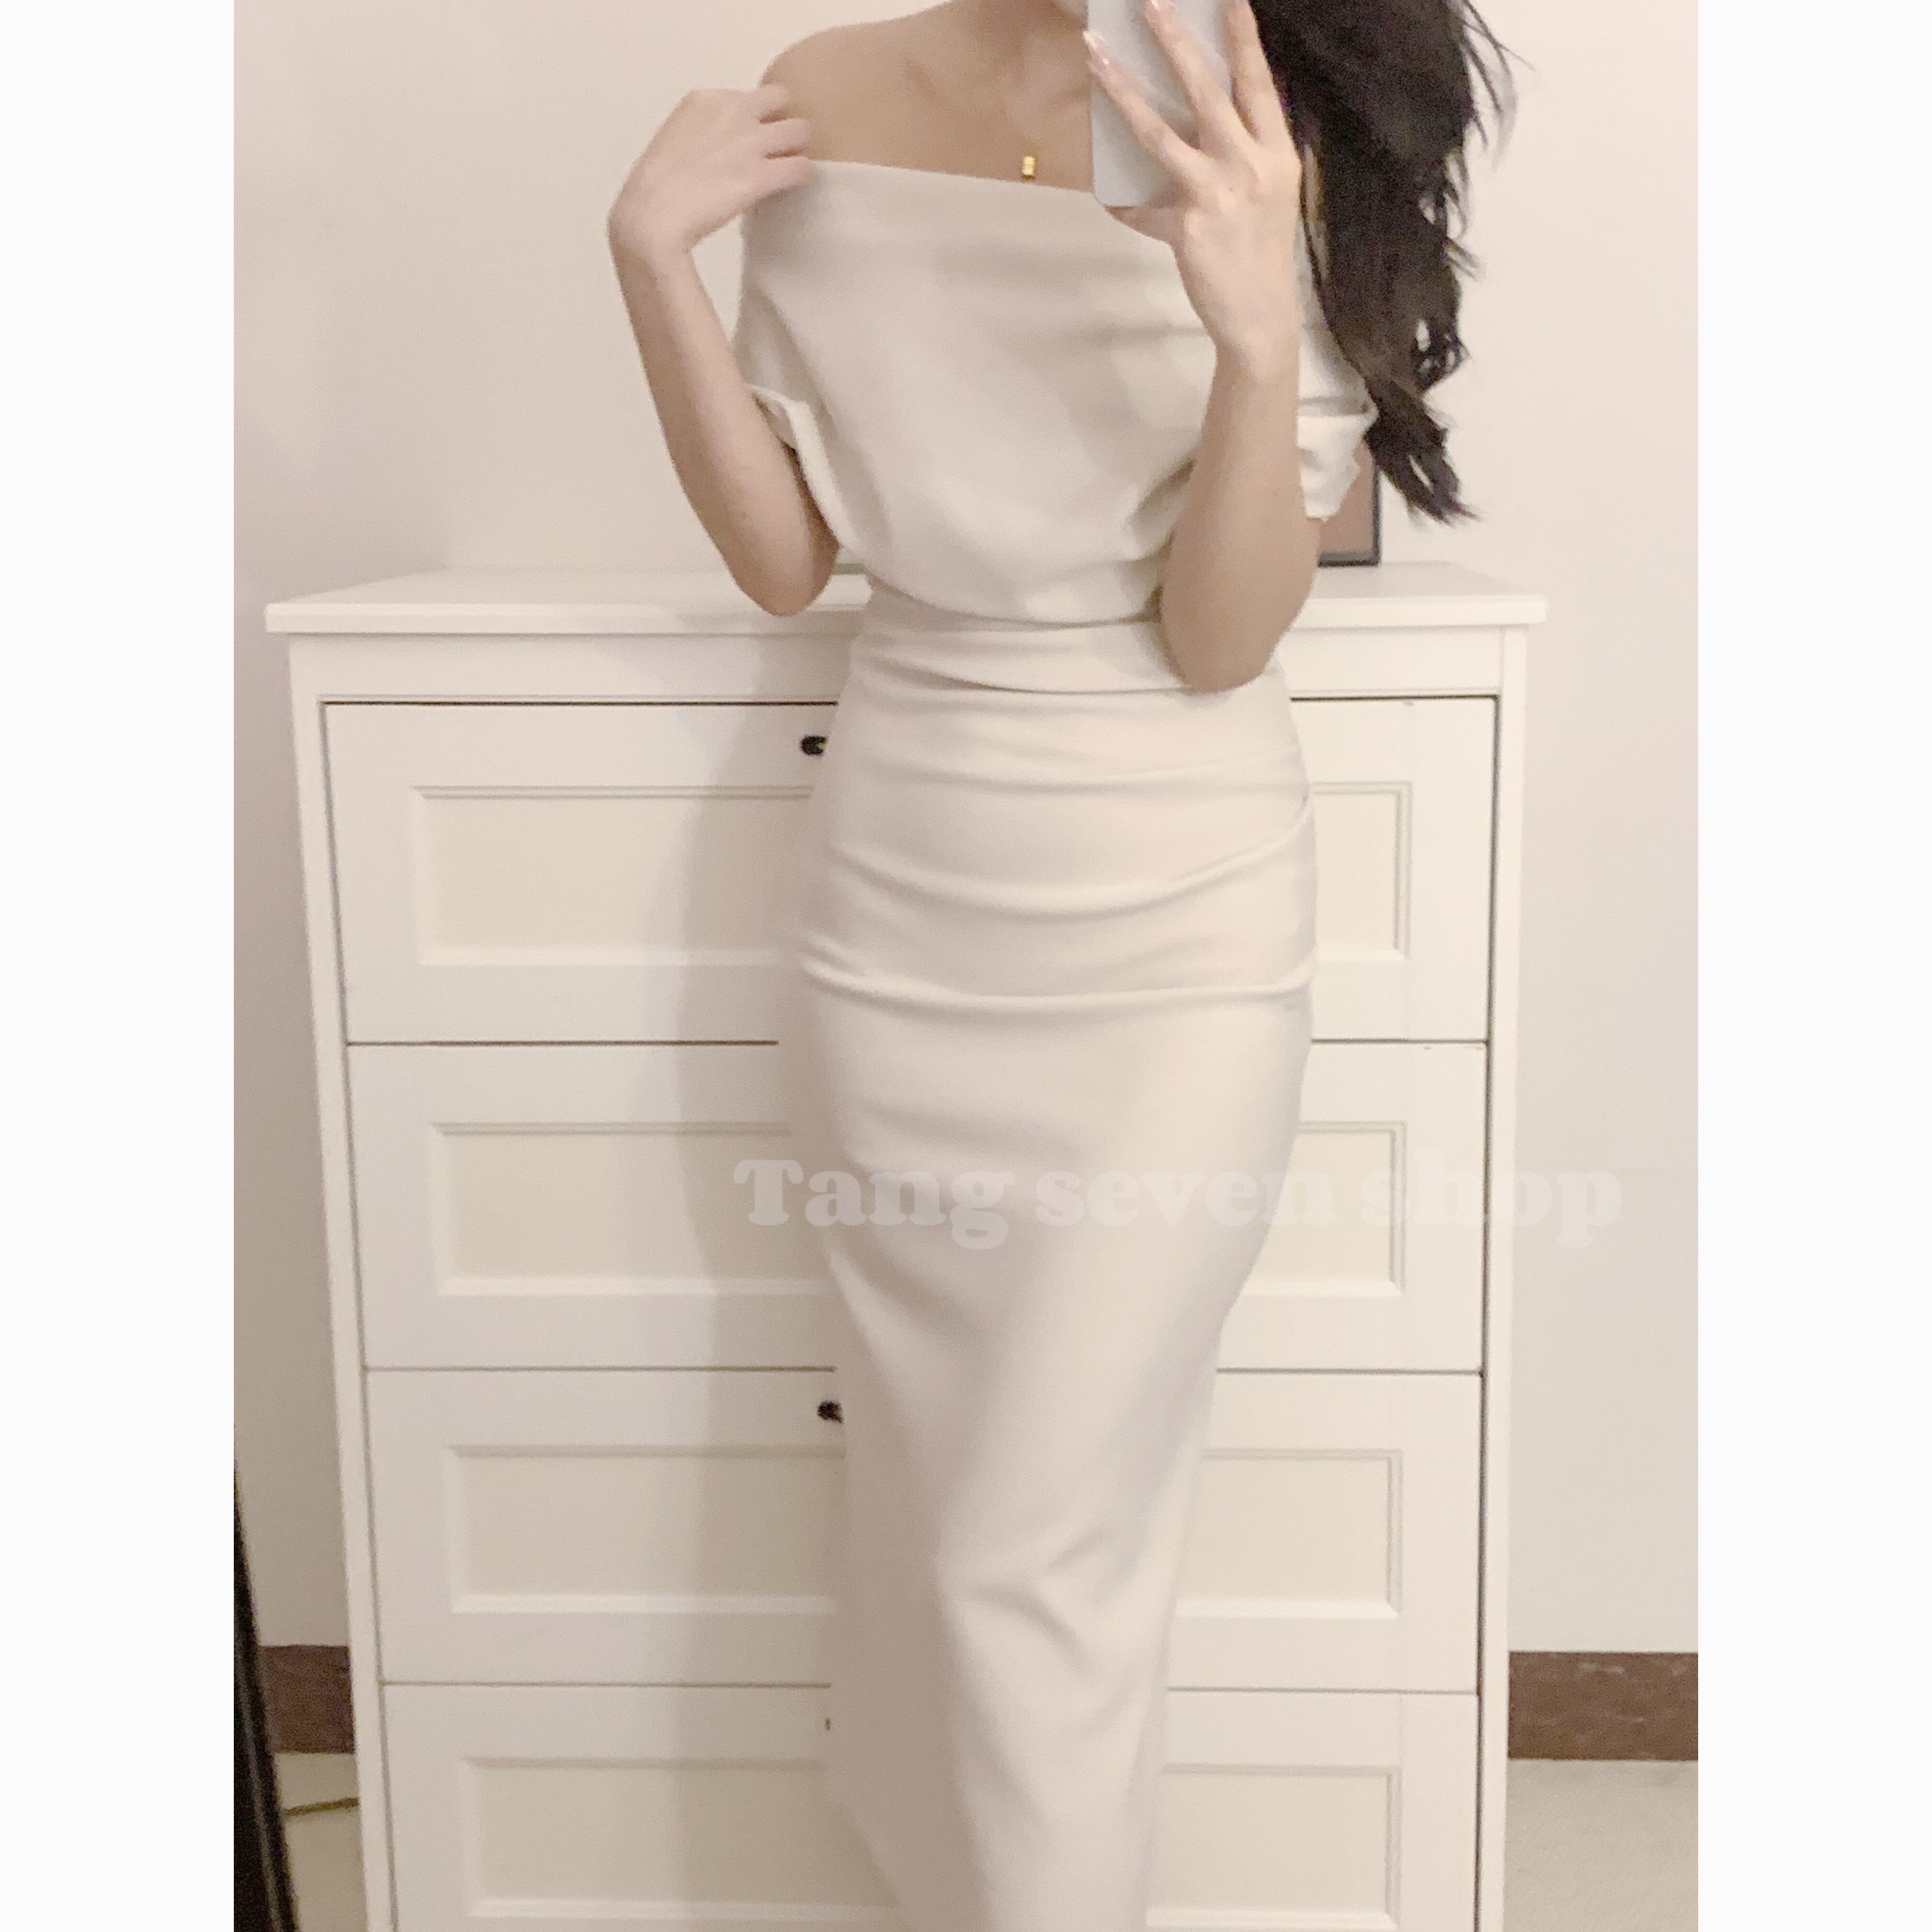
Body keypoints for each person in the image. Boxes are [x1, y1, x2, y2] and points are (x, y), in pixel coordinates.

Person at [605, 4, 1510, 1928]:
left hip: (1174, 926)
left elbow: (1219, 638)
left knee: (1030, 1542)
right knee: (935, 1510)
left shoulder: (1260, 113)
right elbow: (789, 561)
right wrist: (651, 264)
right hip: (896, 906)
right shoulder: (827, 92)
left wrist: (1255, 331)